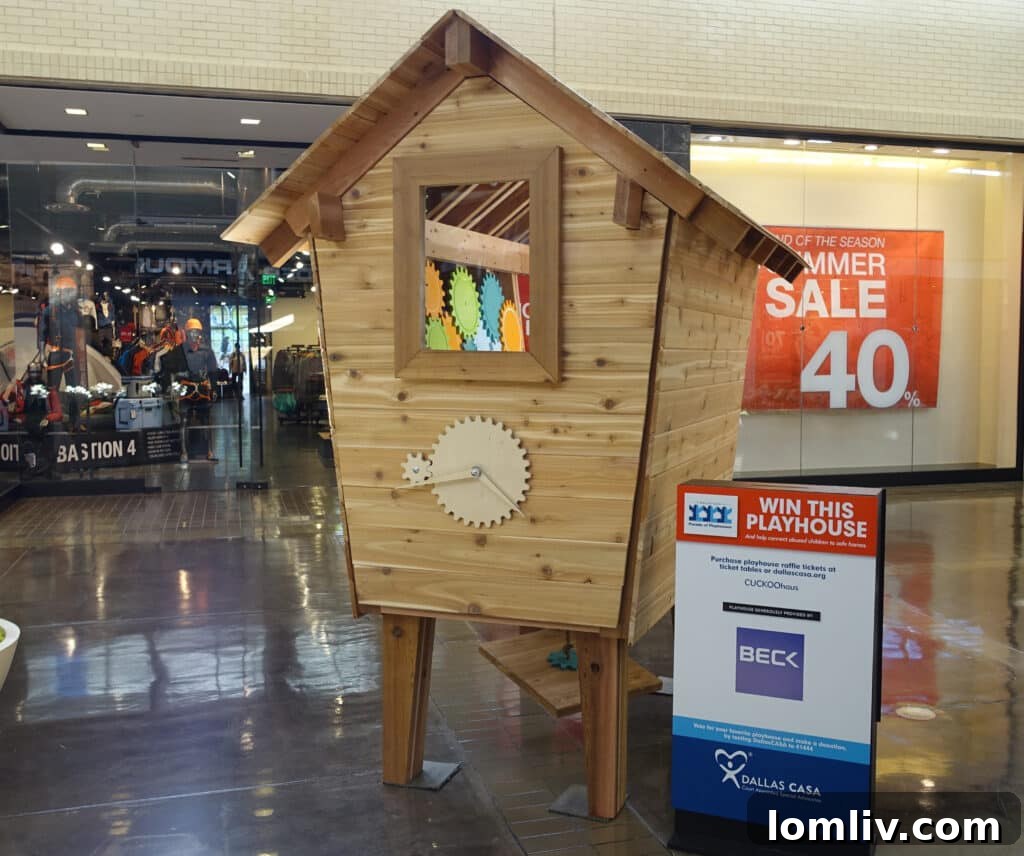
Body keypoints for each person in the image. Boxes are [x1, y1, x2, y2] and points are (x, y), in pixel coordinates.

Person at [176, 318, 219, 462]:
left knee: (207, 419)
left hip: (202, 388)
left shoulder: (207, 351)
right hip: (186, 387)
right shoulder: (181, 351)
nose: (194, 335)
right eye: (191, 332)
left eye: (196, 332)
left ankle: (210, 450)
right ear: (187, 334)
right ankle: (184, 452)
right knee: (183, 420)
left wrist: (214, 389)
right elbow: (174, 371)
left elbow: (213, 372)